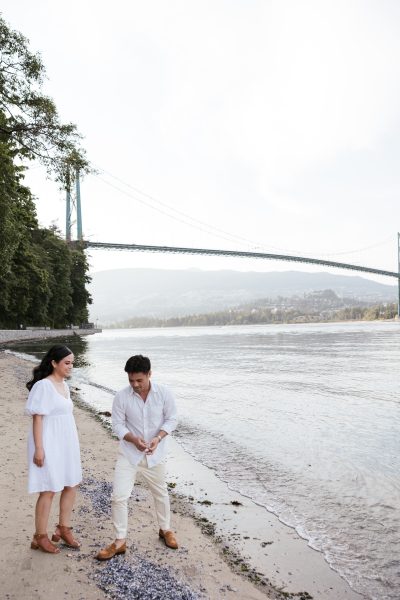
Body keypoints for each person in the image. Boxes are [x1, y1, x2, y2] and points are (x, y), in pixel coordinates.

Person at [96, 354, 178, 560]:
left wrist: (158, 438)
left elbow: (172, 419)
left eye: (139, 380)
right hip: (129, 455)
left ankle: (165, 530)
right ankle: (119, 541)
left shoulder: (164, 394)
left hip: (156, 455)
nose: (135, 384)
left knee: (161, 493)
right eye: (131, 380)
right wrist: (133, 439)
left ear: (149, 374)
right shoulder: (121, 396)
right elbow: (117, 424)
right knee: (118, 496)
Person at [25, 344, 82, 554]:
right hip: (48, 442)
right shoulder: (43, 386)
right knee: (49, 488)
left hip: (67, 442)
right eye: (67, 363)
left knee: (71, 483)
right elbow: (38, 418)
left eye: (72, 363)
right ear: (54, 363)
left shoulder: (65, 385)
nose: (71, 367)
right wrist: (39, 449)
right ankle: (40, 536)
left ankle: (63, 528)